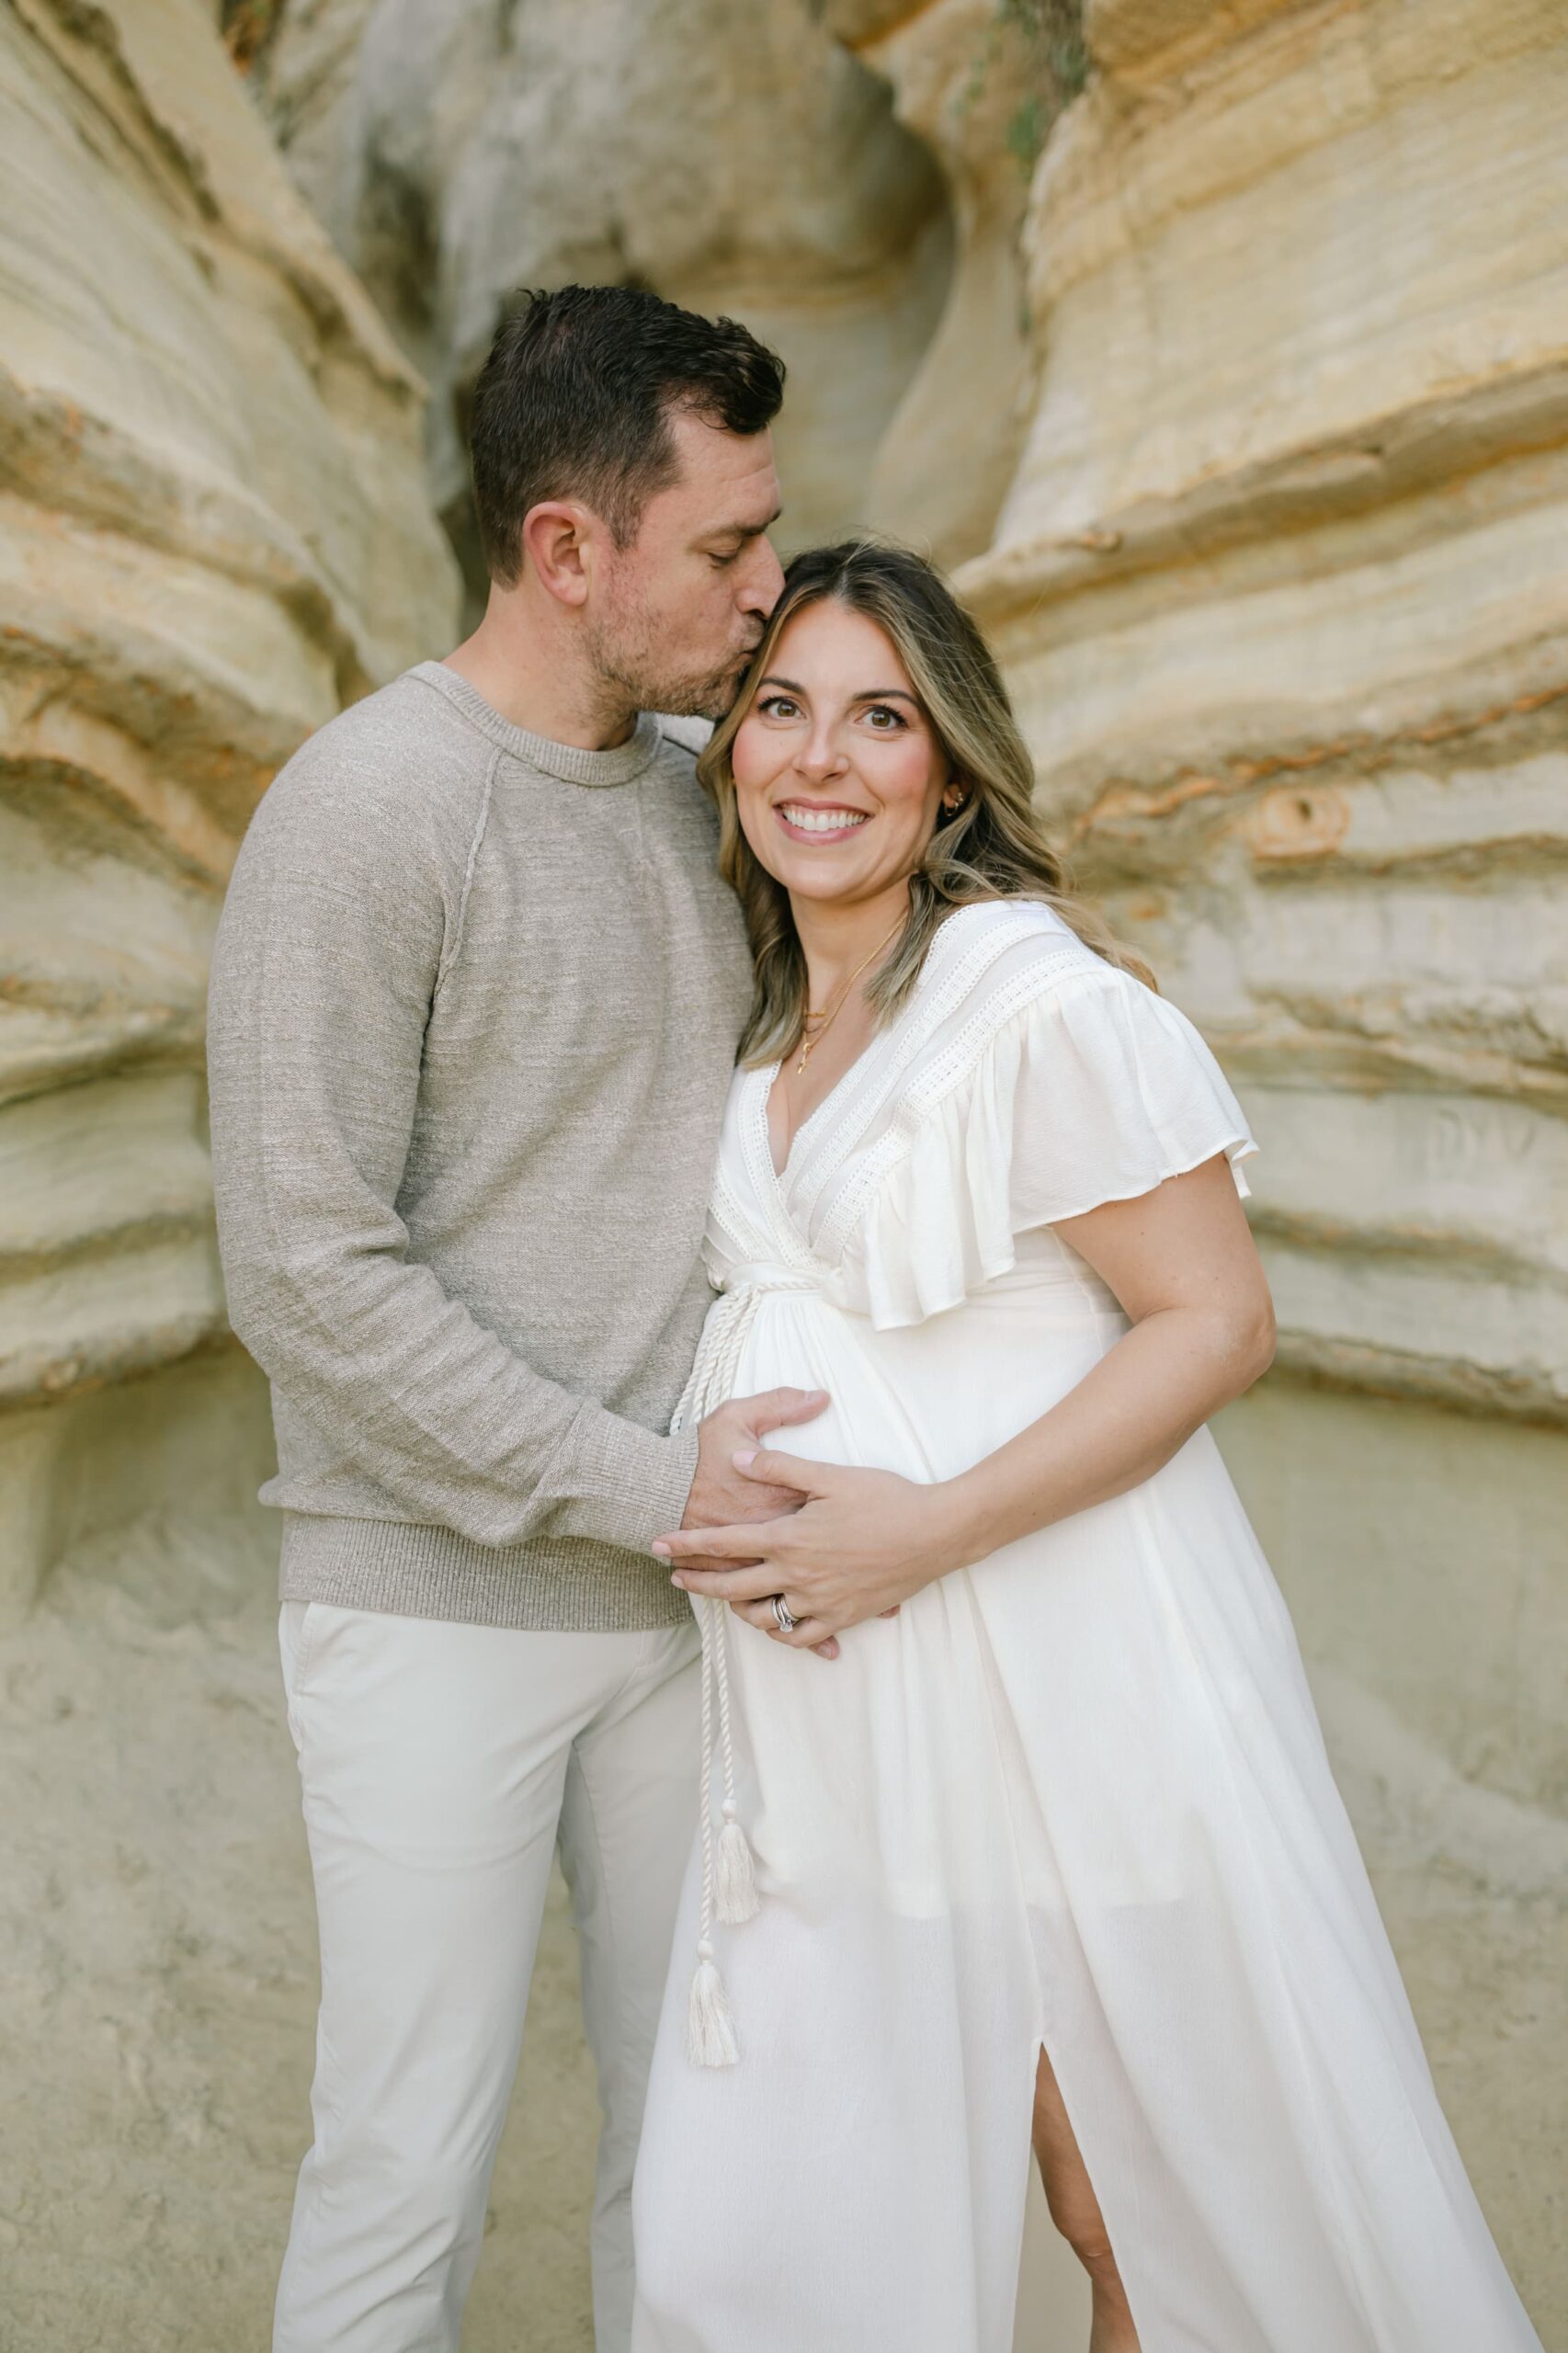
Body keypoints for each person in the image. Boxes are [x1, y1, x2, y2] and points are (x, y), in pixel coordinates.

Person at [629, 541, 1544, 2353]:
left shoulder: (1031, 1002)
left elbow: (1217, 1317)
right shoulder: (765, 1020)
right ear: (730, 748)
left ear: (949, 769)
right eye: (780, 708)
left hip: (1069, 1667)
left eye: (877, 718)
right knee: (783, 2217)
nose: (817, 757)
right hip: (846, 1725)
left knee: (1144, 2196)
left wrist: (923, 1527)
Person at [205, 285, 828, 2353]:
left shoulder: (704, 798)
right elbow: (304, 1267)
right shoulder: (366, 813)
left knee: (708, 2164)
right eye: (727, 549)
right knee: (403, 2173)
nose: (765, 595)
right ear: (571, 548)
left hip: (682, 1615)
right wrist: (650, 1481)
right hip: (430, 1607)